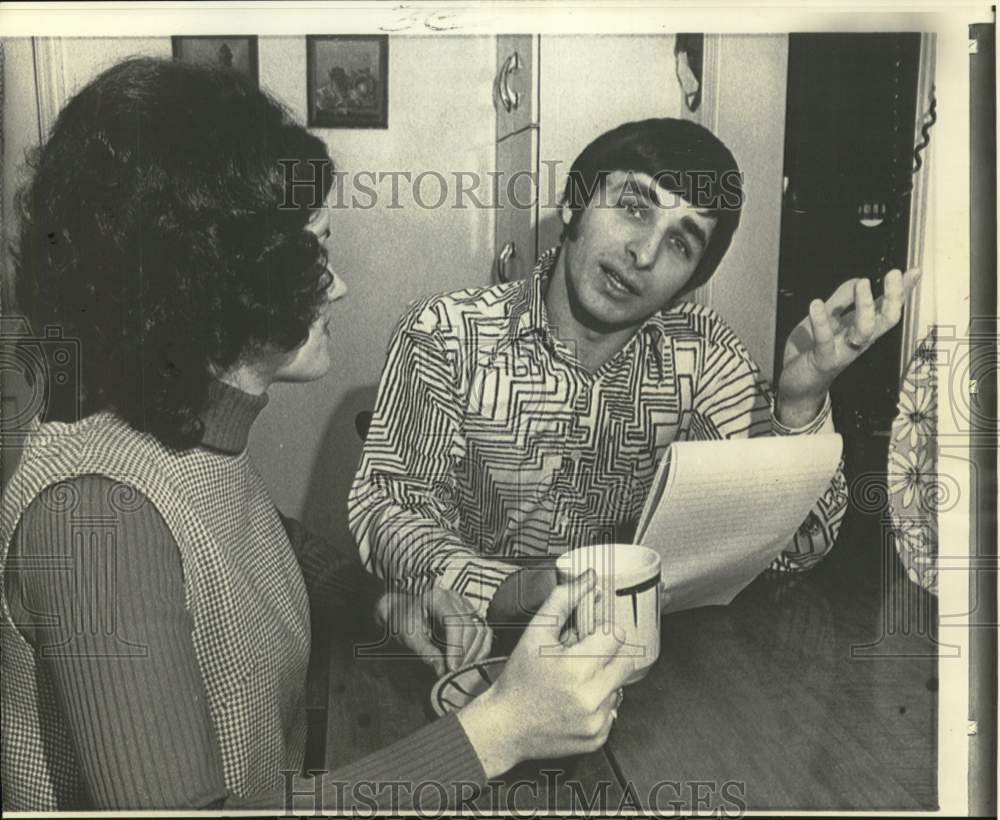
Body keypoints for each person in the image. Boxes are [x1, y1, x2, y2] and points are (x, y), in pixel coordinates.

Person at [0, 57, 632, 812]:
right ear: (209, 276)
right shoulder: (95, 521)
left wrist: (385, 602)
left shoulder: (180, 434)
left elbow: (257, 539)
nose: (337, 285)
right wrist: (497, 732)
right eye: (313, 252)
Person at [349, 117, 921, 673]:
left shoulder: (704, 355)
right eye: (633, 207)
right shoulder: (446, 333)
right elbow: (389, 509)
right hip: (464, 658)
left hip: (636, 676)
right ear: (574, 204)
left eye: (680, 242)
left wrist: (801, 402)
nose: (644, 254)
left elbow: (797, 548)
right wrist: (510, 590)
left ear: (690, 284)